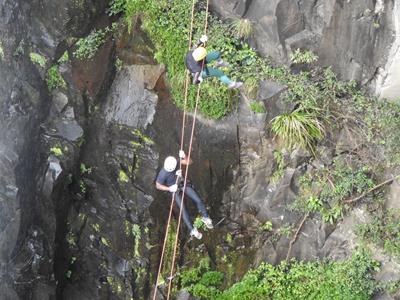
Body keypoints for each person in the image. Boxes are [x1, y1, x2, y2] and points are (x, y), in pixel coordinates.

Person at [155, 150, 213, 239]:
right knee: (183, 209)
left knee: (198, 199)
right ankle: (192, 230)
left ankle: (205, 217)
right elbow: (158, 185)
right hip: (174, 189)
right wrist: (169, 188)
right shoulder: (163, 173)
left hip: (182, 183)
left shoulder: (176, 162)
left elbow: (190, 162)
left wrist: (184, 156)